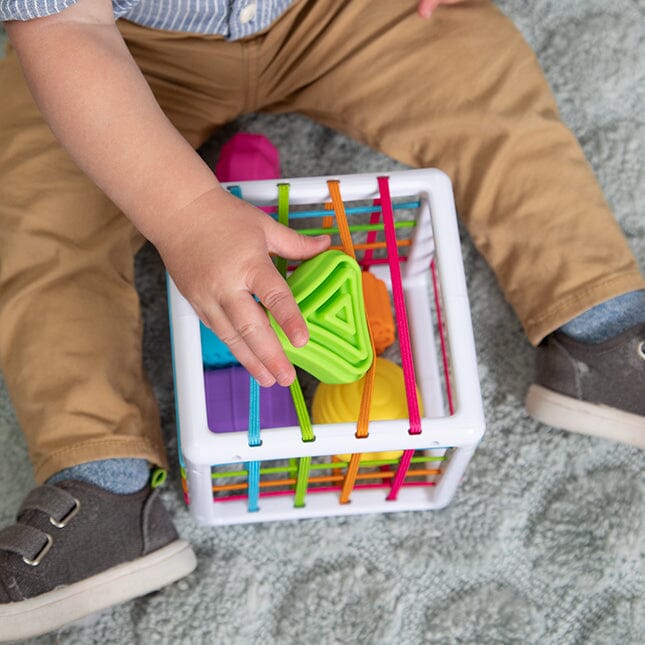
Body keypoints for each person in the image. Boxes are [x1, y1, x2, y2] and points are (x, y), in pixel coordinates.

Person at [0, 0, 643, 638]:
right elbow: (63, 27)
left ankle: (604, 329)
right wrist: (186, 212)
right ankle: (103, 483)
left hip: (339, 16)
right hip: (117, 49)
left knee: (483, 82)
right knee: (40, 211)